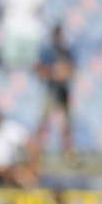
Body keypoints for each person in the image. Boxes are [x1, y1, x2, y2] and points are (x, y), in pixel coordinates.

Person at [36, 24, 75, 158]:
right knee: (44, 121)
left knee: (66, 123)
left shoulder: (66, 51)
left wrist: (64, 72)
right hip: (51, 90)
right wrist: (54, 73)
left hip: (63, 91)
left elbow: (71, 70)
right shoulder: (47, 51)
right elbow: (40, 69)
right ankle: (38, 149)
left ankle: (68, 151)